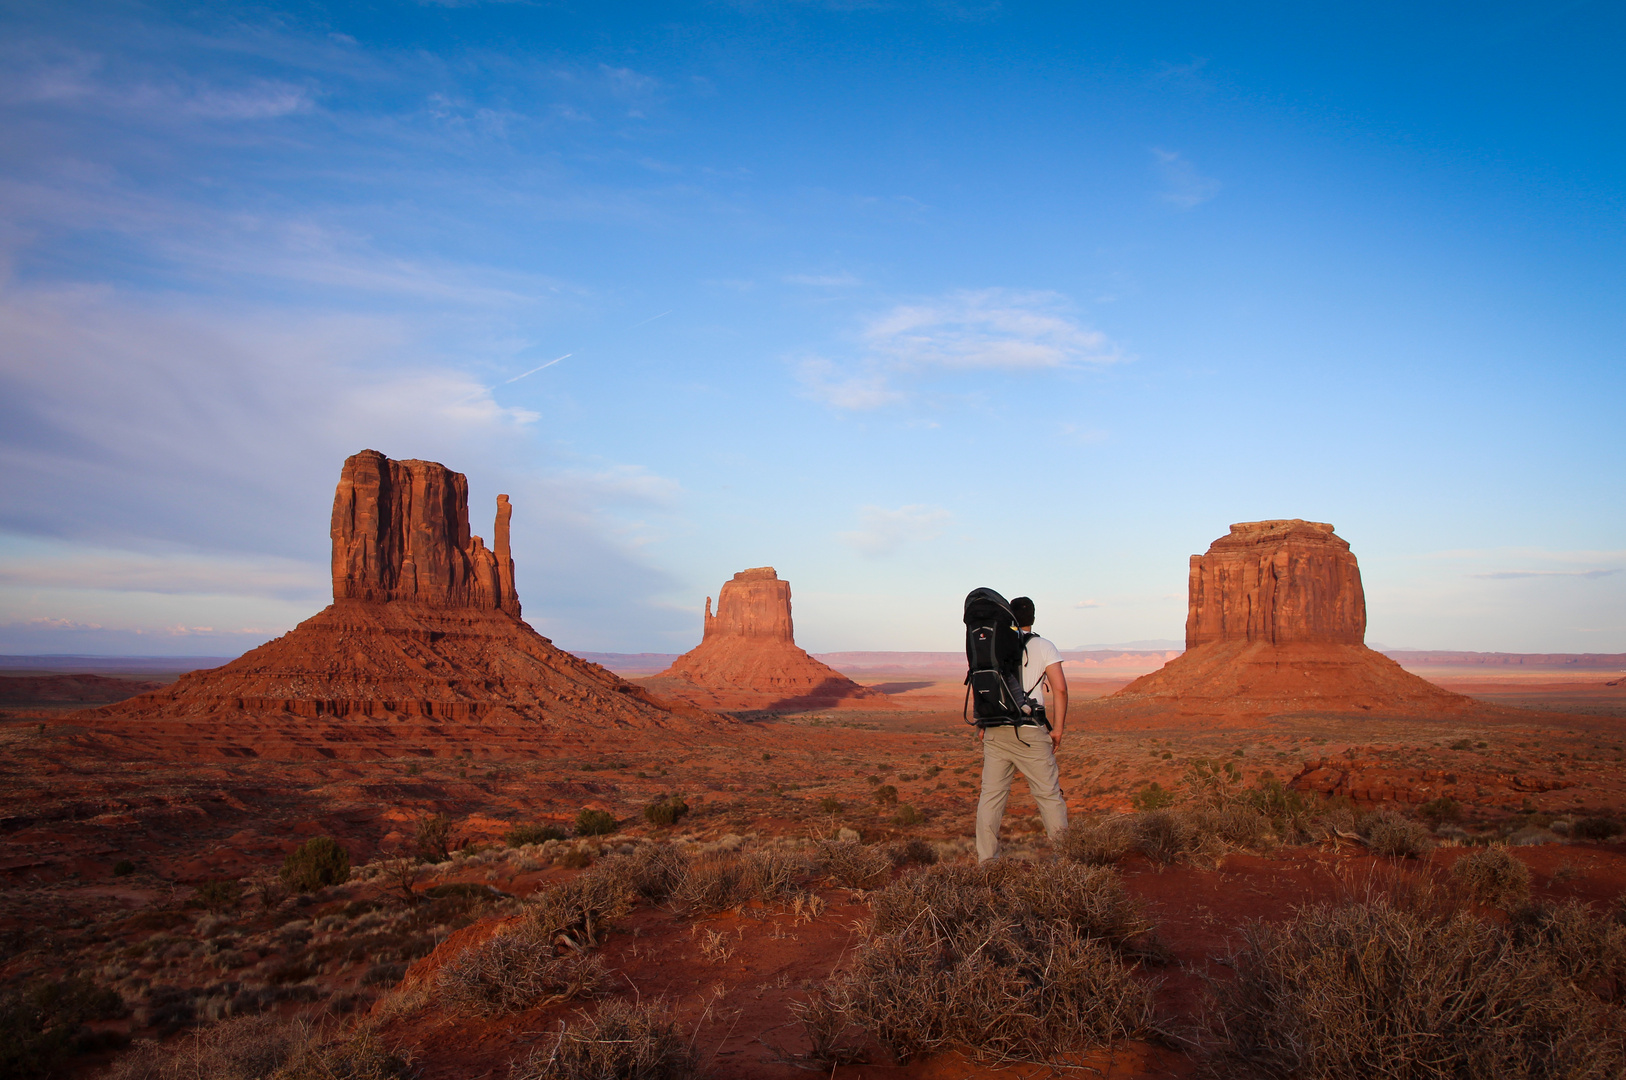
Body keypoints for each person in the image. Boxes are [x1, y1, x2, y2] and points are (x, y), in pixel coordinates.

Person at [974, 595, 1069, 861]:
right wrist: (1058, 729)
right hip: (1030, 731)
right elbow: (1060, 689)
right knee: (1049, 797)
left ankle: (986, 864)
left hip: (995, 730)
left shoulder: (994, 645)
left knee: (990, 799)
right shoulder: (1044, 646)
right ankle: (1065, 864)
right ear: (1033, 617)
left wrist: (982, 723)